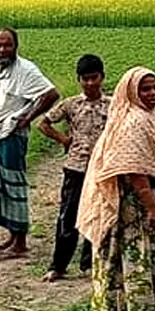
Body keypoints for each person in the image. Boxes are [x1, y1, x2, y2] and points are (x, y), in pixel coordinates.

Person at [77, 66, 155, 311]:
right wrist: (153, 208)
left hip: (142, 202)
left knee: (127, 256)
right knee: (137, 255)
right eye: (145, 89)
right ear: (131, 91)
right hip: (135, 207)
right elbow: (134, 171)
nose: (153, 93)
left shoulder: (141, 117)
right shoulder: (133, 121)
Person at [0, 27, 60, 258]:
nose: (2, 49)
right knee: (2, 185)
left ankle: (20, 242)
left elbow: (51, 94)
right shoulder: (2, 69)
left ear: (16, 47)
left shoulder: (26, 69)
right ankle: (13, 236)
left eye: (7, 45)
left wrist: (28, 117)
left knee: (14, 184)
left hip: (12, 134)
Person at [38, 53, 110, 282]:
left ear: (102, 77)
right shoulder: (71, 104)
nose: (90, 83)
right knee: (68, 217)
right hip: (76, 168)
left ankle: (89, 264)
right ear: (79, 80)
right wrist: (63, 140)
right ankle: (58, 266)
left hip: (102, 169)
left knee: (98, 215)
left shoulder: (113, 105)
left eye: (94, 78)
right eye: (85, 79)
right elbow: (44, 123)